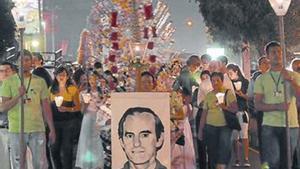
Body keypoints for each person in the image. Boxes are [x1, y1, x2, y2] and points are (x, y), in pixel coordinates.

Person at [0, 49, 56, 169]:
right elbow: (3, 107)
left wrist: (51, 128)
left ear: (31, 62)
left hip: (37, 128)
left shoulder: (40, 82)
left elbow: (46, 106)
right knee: (19, 163)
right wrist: (18, 96)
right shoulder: (8, 82)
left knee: (40, 164)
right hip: (17, 129)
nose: (24, 63)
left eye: (27, 60)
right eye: (21, 60)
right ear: (17, 62)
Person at [254, 41, 300, 169]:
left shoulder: (294, 76)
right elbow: (257, 105)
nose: (277, 55)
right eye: (273, 52)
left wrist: (290, 81)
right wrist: (277, 107)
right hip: (270, 125)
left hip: (291, 124)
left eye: (279, 51)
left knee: (288, 162)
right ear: (267, 56)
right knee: (273, 161)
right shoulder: (261, 79)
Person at [198, 72, 238, 169]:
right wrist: (200, 130)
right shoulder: (209, 95)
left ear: (222, 81)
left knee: (224, 148)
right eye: (213, 81)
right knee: (212, 150)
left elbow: (235, 109)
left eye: (217, 80)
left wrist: (225, 107)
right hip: (210, 126)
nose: (215, 83)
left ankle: (223, 166)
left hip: (225, 126)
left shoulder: (228, 93)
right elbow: (204, 114)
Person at [49, 66, 81, 169]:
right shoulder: (51, 89)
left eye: (64, 75)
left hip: (69, 122)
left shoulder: (72, 89)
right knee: (54, 149)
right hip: (55, 122)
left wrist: (67, 109)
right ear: (55, 76)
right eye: (59, 75)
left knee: (67, 149)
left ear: (68, 77)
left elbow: (78, 107)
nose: (62, 77)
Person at [75, 71, 106, 169]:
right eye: (91, 79)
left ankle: (97, 164)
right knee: (86, 140)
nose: (93, 81)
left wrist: (102, 103)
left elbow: (105, 108)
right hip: (88, 118)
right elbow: (82, 111)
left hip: (99, 118)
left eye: (95, 79)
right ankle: (86, 164)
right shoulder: (83, 93)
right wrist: (85, 104)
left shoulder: (103, 93)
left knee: (97, 141)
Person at [227, 64, 250, 167]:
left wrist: (241, 94)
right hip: (232, 112)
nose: (229, 75)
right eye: (228, 73)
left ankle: (246, 158)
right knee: (235, 137)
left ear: (236, 71)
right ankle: (237, 158)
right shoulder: (228, 83)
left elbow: (249, 97)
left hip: (242, 110)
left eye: (230, 73)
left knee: (244, 135)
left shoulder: (245, 82)